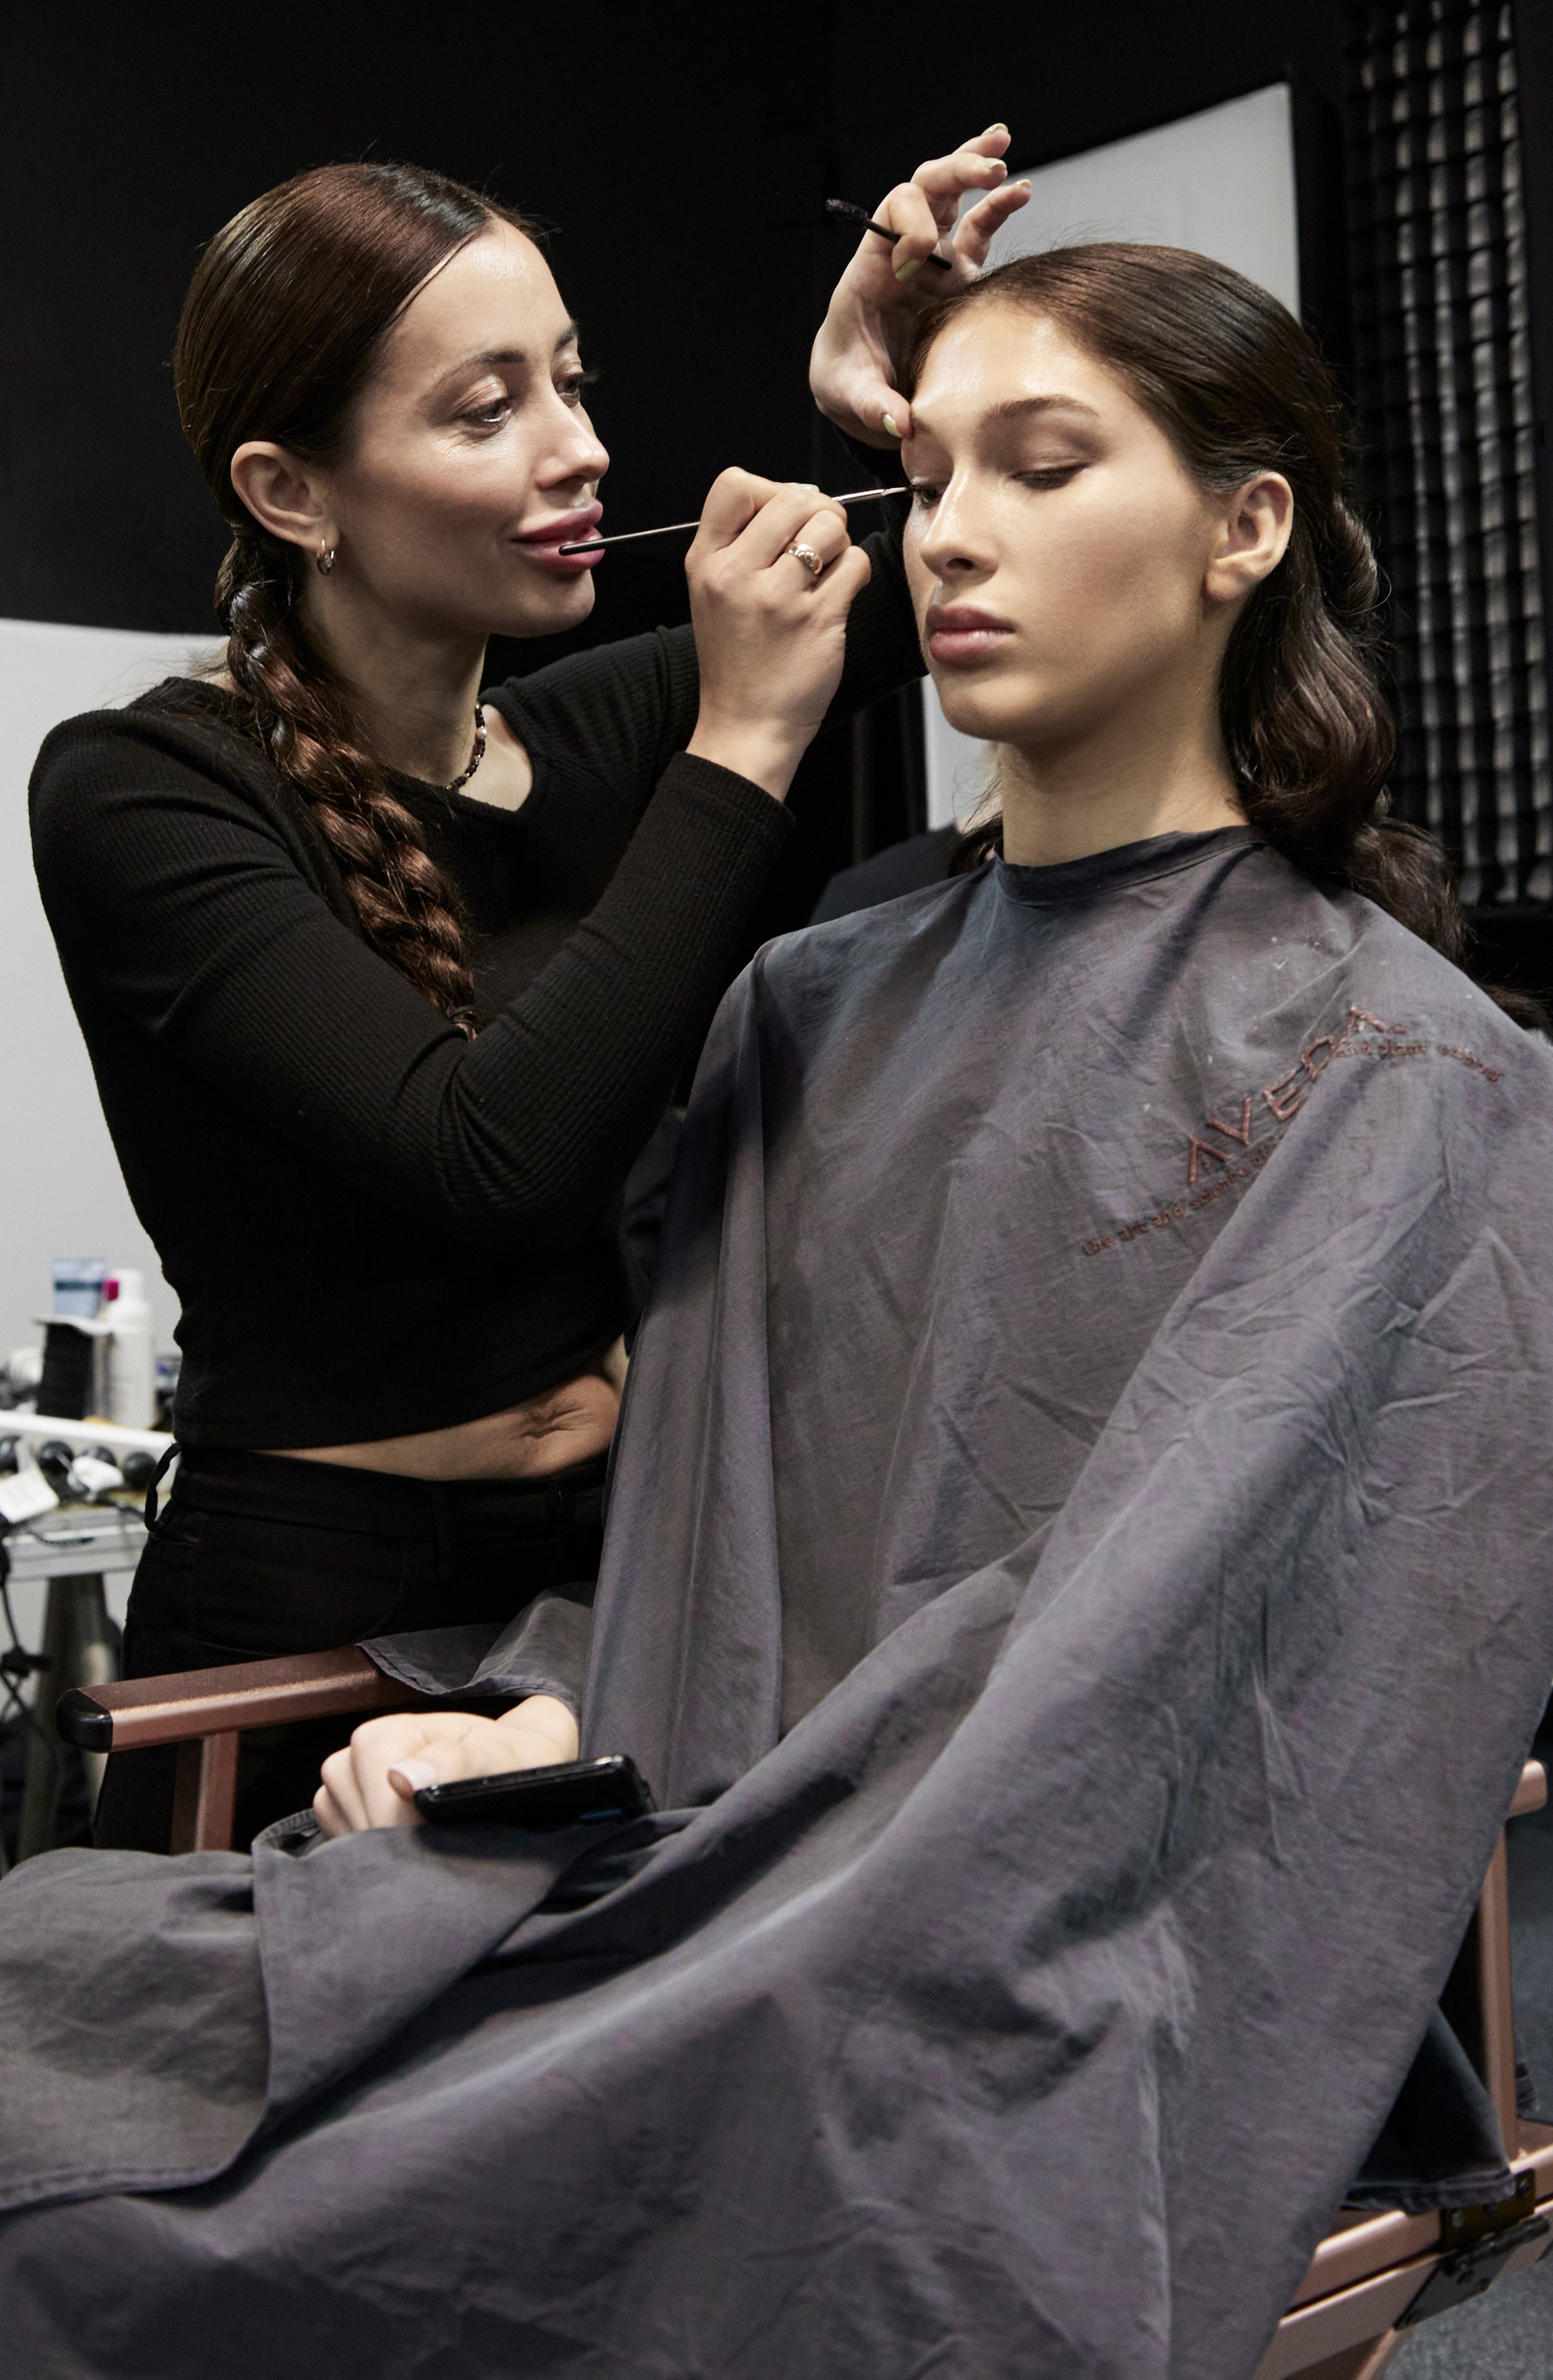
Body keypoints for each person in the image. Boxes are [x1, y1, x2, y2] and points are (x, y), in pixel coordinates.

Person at [0, 244, 1553, 2380]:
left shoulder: (1406, 1071)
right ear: (294, 491)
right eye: (930, 483)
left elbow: (1181, 1668)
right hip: (648, 1803)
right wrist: (564, 1707)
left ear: (1247, 525)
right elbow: (707, 1514)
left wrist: (723, 1803)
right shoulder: (807, 1002)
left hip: (962, 1914)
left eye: (1039, 466)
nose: (956, 536)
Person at [27, 133, 1030, 1850]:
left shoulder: (588, 733)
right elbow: (494, 1163)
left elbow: (922, 594)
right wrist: (739, 744)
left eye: (569, 382)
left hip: (609, 1574)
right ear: (293, 492)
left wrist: (878, 396)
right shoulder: (140, 791)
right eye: (487, 410)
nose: (583, 451)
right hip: (304, 1598)